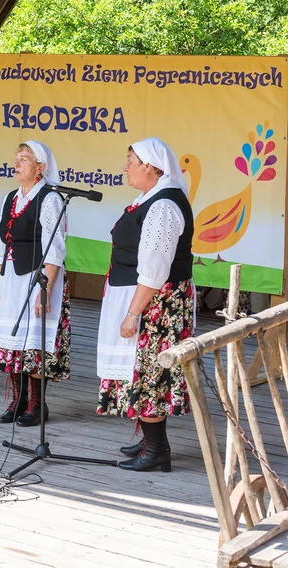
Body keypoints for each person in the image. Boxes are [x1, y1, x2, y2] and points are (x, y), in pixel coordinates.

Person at [96, 138, 195, 473]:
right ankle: (152, 440)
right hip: (149, 298)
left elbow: (154, 270)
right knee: (144, 370)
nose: (125, 168)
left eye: (130, 161)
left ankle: (156, 451)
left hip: (157, 306)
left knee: (149, 373)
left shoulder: (163, 206)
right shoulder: (151, 199)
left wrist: (132, 313)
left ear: (151, 167)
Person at [0, 141, 69, 426]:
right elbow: (2, 244)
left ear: (41, 167)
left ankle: (37, 405)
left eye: (24, 158)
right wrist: (1, 282)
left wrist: (44, 291)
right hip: (13, 277)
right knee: (13, 339)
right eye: (16, 157)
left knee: (35, 341)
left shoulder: (50, 199)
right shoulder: (10, 197)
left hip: (38, 276)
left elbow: (55, 250)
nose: (17, 162)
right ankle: (19, 399)